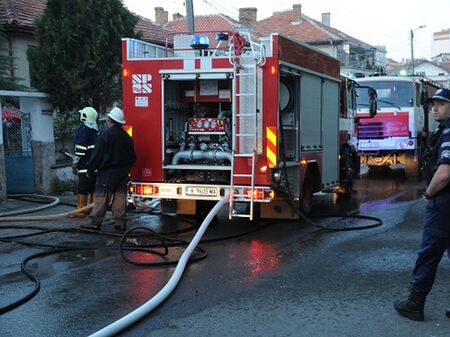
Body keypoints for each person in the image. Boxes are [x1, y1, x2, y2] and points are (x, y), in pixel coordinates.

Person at [394, 87, 450, 321]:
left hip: (444, 204)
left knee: (429, 253)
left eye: (440, 103)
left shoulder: (448, 133)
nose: (434, 108)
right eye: (432, 105)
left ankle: (414, 305)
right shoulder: (443, 130)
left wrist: (428, 195)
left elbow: (445, 173)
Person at [81, 107, 136, 231]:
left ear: (110, 121)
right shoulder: (127, 136)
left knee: (102, 197)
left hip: (108, 171)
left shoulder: (105, 134)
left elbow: (97, 155)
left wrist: (90, 170)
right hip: (123, 171)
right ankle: (120, 223)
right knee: (120, 197)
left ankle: (94, 222)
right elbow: (133, 156)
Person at [70, 107, 98, 218]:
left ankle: (80, 211)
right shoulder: (96, 131)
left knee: (82, 189)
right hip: (94, 168)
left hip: (84, 167)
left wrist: (75, 163)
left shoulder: (83, 130)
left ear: (85, 116)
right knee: (93, 189)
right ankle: (94, 211)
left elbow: (80, 150)